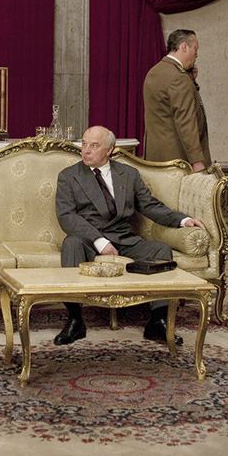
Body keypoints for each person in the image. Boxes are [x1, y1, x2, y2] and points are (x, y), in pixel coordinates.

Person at [54, 125, 205, 345]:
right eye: (84, 144)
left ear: (110, 150)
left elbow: (150, 205)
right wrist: (100, 241)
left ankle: (157, 321)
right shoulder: (69, 176)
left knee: (160, 250)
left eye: (94, 146)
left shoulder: (128, 174)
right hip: (89, 238)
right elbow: (67, 216)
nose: (85, 150)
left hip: (124, 238)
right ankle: (75, 320)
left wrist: (182, 220)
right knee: (71, 244)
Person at [142, 28, 211, 171]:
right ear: (184, 47)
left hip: (154, 157)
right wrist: (197, 160)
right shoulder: (178, 77)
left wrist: (191, 81)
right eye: (195, 49)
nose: (196, 55)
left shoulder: (154, 71)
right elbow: (186, 121)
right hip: (179, 161)